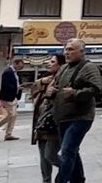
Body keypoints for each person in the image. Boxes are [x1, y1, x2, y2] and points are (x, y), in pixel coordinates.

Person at [49, 38, 102, 183]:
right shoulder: (64, 68)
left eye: (71, 49)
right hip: (63, 116)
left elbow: (96, 88)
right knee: (72, 151)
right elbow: (56, 86)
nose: (67, 52)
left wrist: (75, 93)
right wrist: (52, 91)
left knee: (67, 150)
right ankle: (78, 180)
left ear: (82, 51)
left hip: (81, 116)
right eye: (66, 49)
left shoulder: (89, 67)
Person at [31, 55, 63, 183]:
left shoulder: (62, 79)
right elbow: (34, 90)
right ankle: (46, 181)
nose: (49, 64)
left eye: (52, 62)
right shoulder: (47, 79)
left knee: (50, 155)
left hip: (53, 123)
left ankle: (71, 168)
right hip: (42, 122)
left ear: (60, 65)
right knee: (43, 157)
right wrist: (41, 82)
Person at [0, 56, 24, 142]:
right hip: (8, 97)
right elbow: (6, 85)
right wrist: (17, 87)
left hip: (14, 97)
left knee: (14, 116)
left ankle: (8, 134)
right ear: (16, 63)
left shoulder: (16, 74)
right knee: (11, 115)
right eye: (20, 65)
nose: (21, 67)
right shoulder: (7, 72)